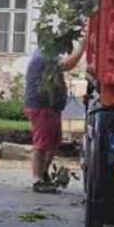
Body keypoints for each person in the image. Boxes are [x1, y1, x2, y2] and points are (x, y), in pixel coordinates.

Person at [24, 38, 86, 193]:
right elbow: (67, 65)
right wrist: (82, 47)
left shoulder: (44, 54)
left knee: (53, 142)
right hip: (42, 105)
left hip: (50, 106)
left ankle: (44, 174)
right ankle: (37, 179)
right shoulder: (45, 55)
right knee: (42, 143)